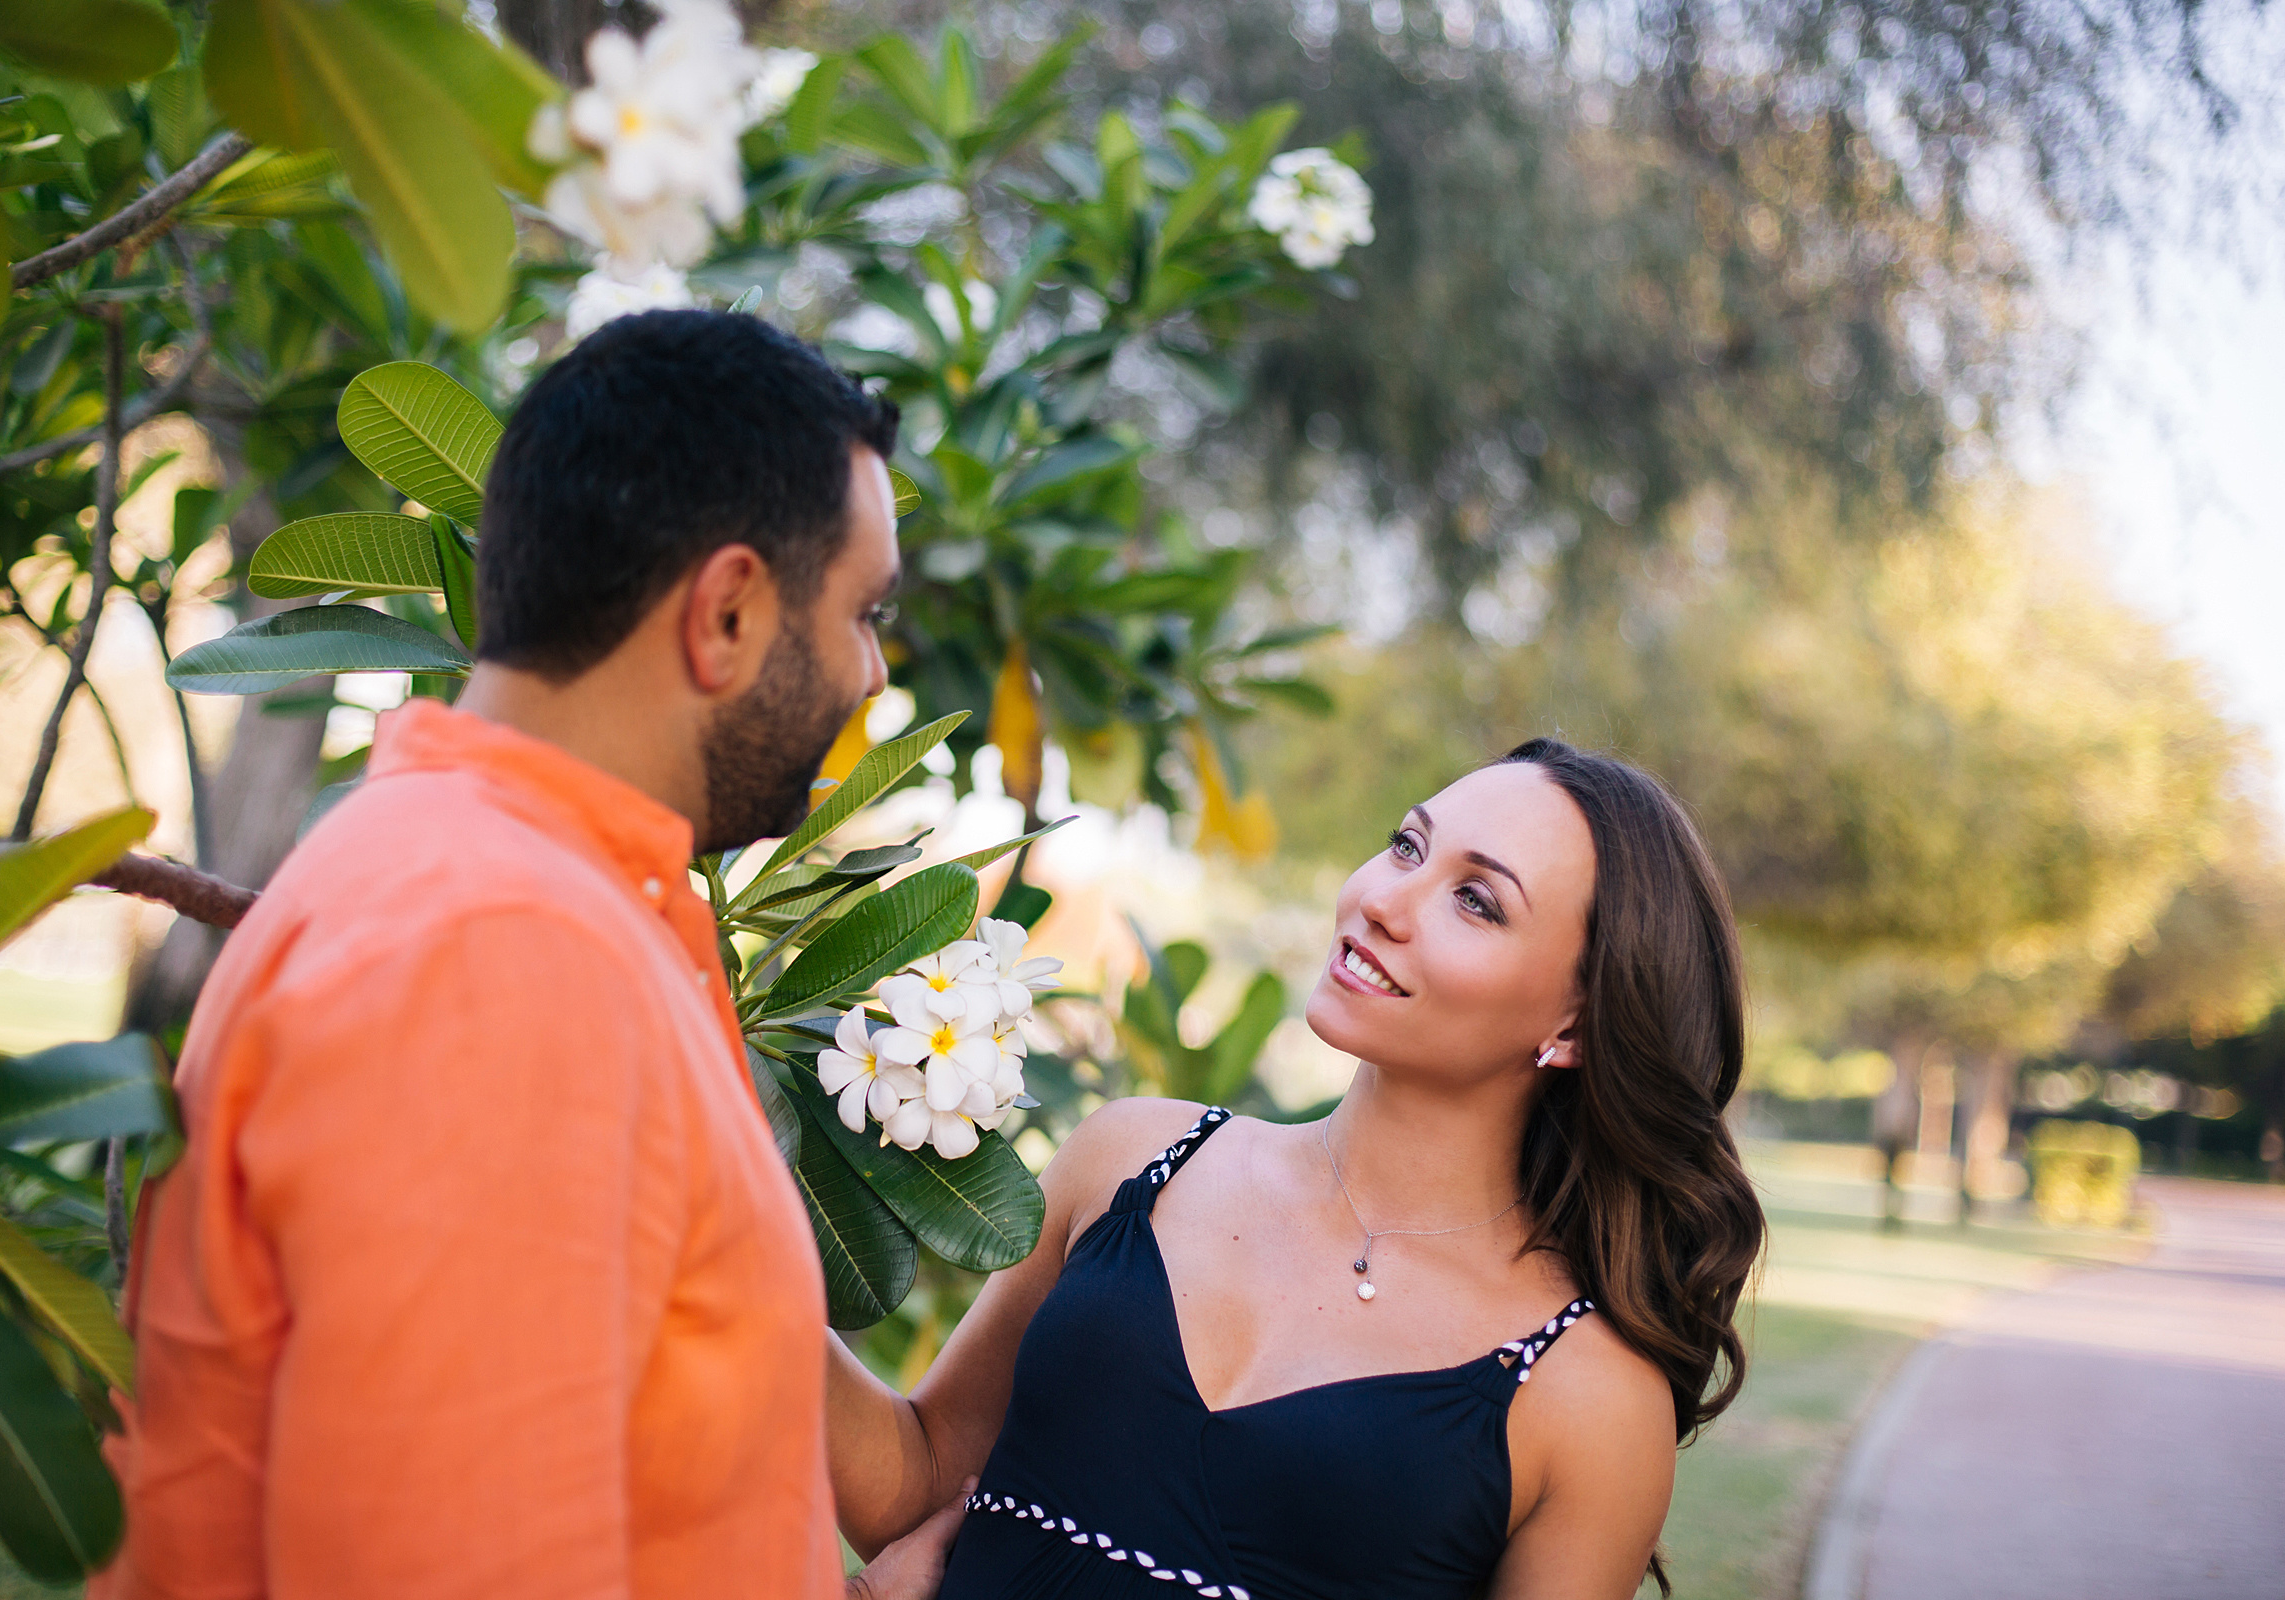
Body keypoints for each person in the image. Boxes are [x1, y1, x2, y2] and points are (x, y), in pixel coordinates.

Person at [97, 311, 964, 1599]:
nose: (875, 675)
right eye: (865, 613)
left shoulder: (531, 892)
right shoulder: (500, 956)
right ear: (726, 610)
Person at [827, 739, 1767, 1599]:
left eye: (1475, 900)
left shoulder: (1591, 1400)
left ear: (1575, 1023)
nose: (1383, 902)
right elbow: (917, 1483)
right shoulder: (1133, 1157)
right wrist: (739, 1213)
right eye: (1407, 846)